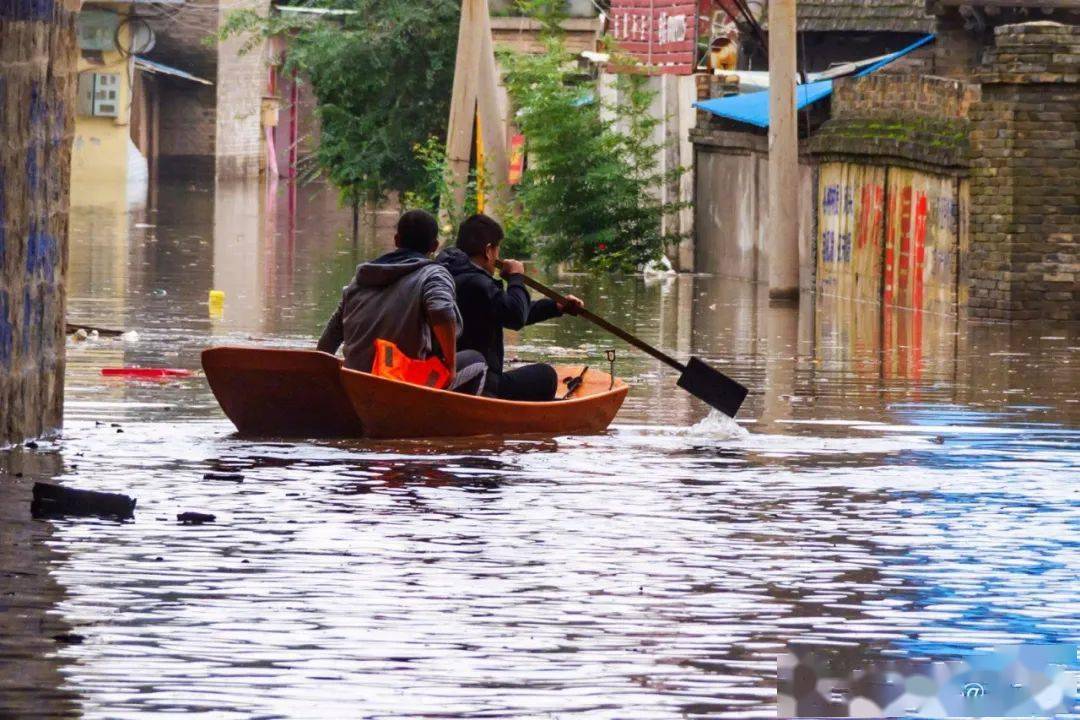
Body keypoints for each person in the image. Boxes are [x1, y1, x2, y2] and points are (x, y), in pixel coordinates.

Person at [317, 209, 487, 394]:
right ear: (434, 246)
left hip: (356, 384)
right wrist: (451, 366)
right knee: (477, 361)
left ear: (396, 240)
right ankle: (443, 421)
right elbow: (441, 311)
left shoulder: (359, 280)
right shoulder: (433, 274)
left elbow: (327, 343)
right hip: (402, 385)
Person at [437, 214, 584, 401]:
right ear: (489, 251)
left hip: (448, 373)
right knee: (546, 375)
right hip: (482, 381)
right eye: (498, 250)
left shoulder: (446, 275)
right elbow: (515, 316)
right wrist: (516, 278)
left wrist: (555, 307)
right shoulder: (478, 283)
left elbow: (508, 310)